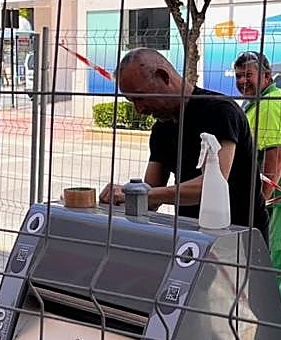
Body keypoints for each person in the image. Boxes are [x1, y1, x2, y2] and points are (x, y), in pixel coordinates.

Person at [98, 48, 268, 239]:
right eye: (131, 101)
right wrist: (120, 198)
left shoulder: (220, 112)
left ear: (164, 77)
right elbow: (151, 195)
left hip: (240, 237)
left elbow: (211, 186)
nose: (139, 109)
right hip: (193, 236)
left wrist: (139, 194)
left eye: (140, 97)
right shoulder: (162, 129)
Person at [234, 51, 281, 312]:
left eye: (248, 75)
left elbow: (274, 160)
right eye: (239, 75)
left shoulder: (271, 104)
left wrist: (259, 204)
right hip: (272, 202)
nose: (243, 81)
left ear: (266, 76)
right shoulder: (256, 103)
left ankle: (273, 326)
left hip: (276, 203)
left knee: (272, 264)